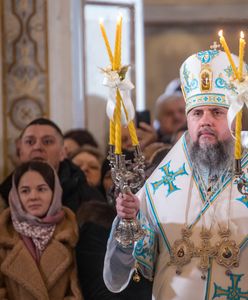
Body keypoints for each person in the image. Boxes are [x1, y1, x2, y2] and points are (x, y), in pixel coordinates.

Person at [103, 49, 248, 299]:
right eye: (197, 113)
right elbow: (143, 258)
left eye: (216, 112)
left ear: (235, 117)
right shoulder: (166, 176)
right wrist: (132, 219)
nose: (205, 121)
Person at [0, 161, 83, 299]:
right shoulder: (4, 235)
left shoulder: (71, 233)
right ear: (16, 195)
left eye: (41, 189)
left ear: (54, 192)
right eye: (25, 191)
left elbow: (75, 291)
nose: (33, 197)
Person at [0, 118, 105, 214]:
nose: (37, 147)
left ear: (63, 152)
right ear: (20, 152)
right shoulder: (4, 195)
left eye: (47, 141)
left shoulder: (88, 199)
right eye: (30, 142)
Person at [154, 78, 186, 144]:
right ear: (158, 119)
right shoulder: (151, 144)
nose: (177, 117)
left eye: (181, 111)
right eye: (169, 113)